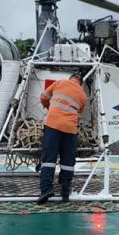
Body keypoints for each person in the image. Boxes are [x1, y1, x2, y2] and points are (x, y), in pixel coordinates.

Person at [37, 72, 88, 204]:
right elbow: (79, 113)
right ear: (80, 83)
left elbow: (43, 97)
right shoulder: (83, 96)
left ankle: (46, 190)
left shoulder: (59, 83)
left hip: (52, 124)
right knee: (68, 161)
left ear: (70, 78)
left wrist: (50, 107)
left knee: (49, 158)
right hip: (70, 130)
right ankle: (65, 190)